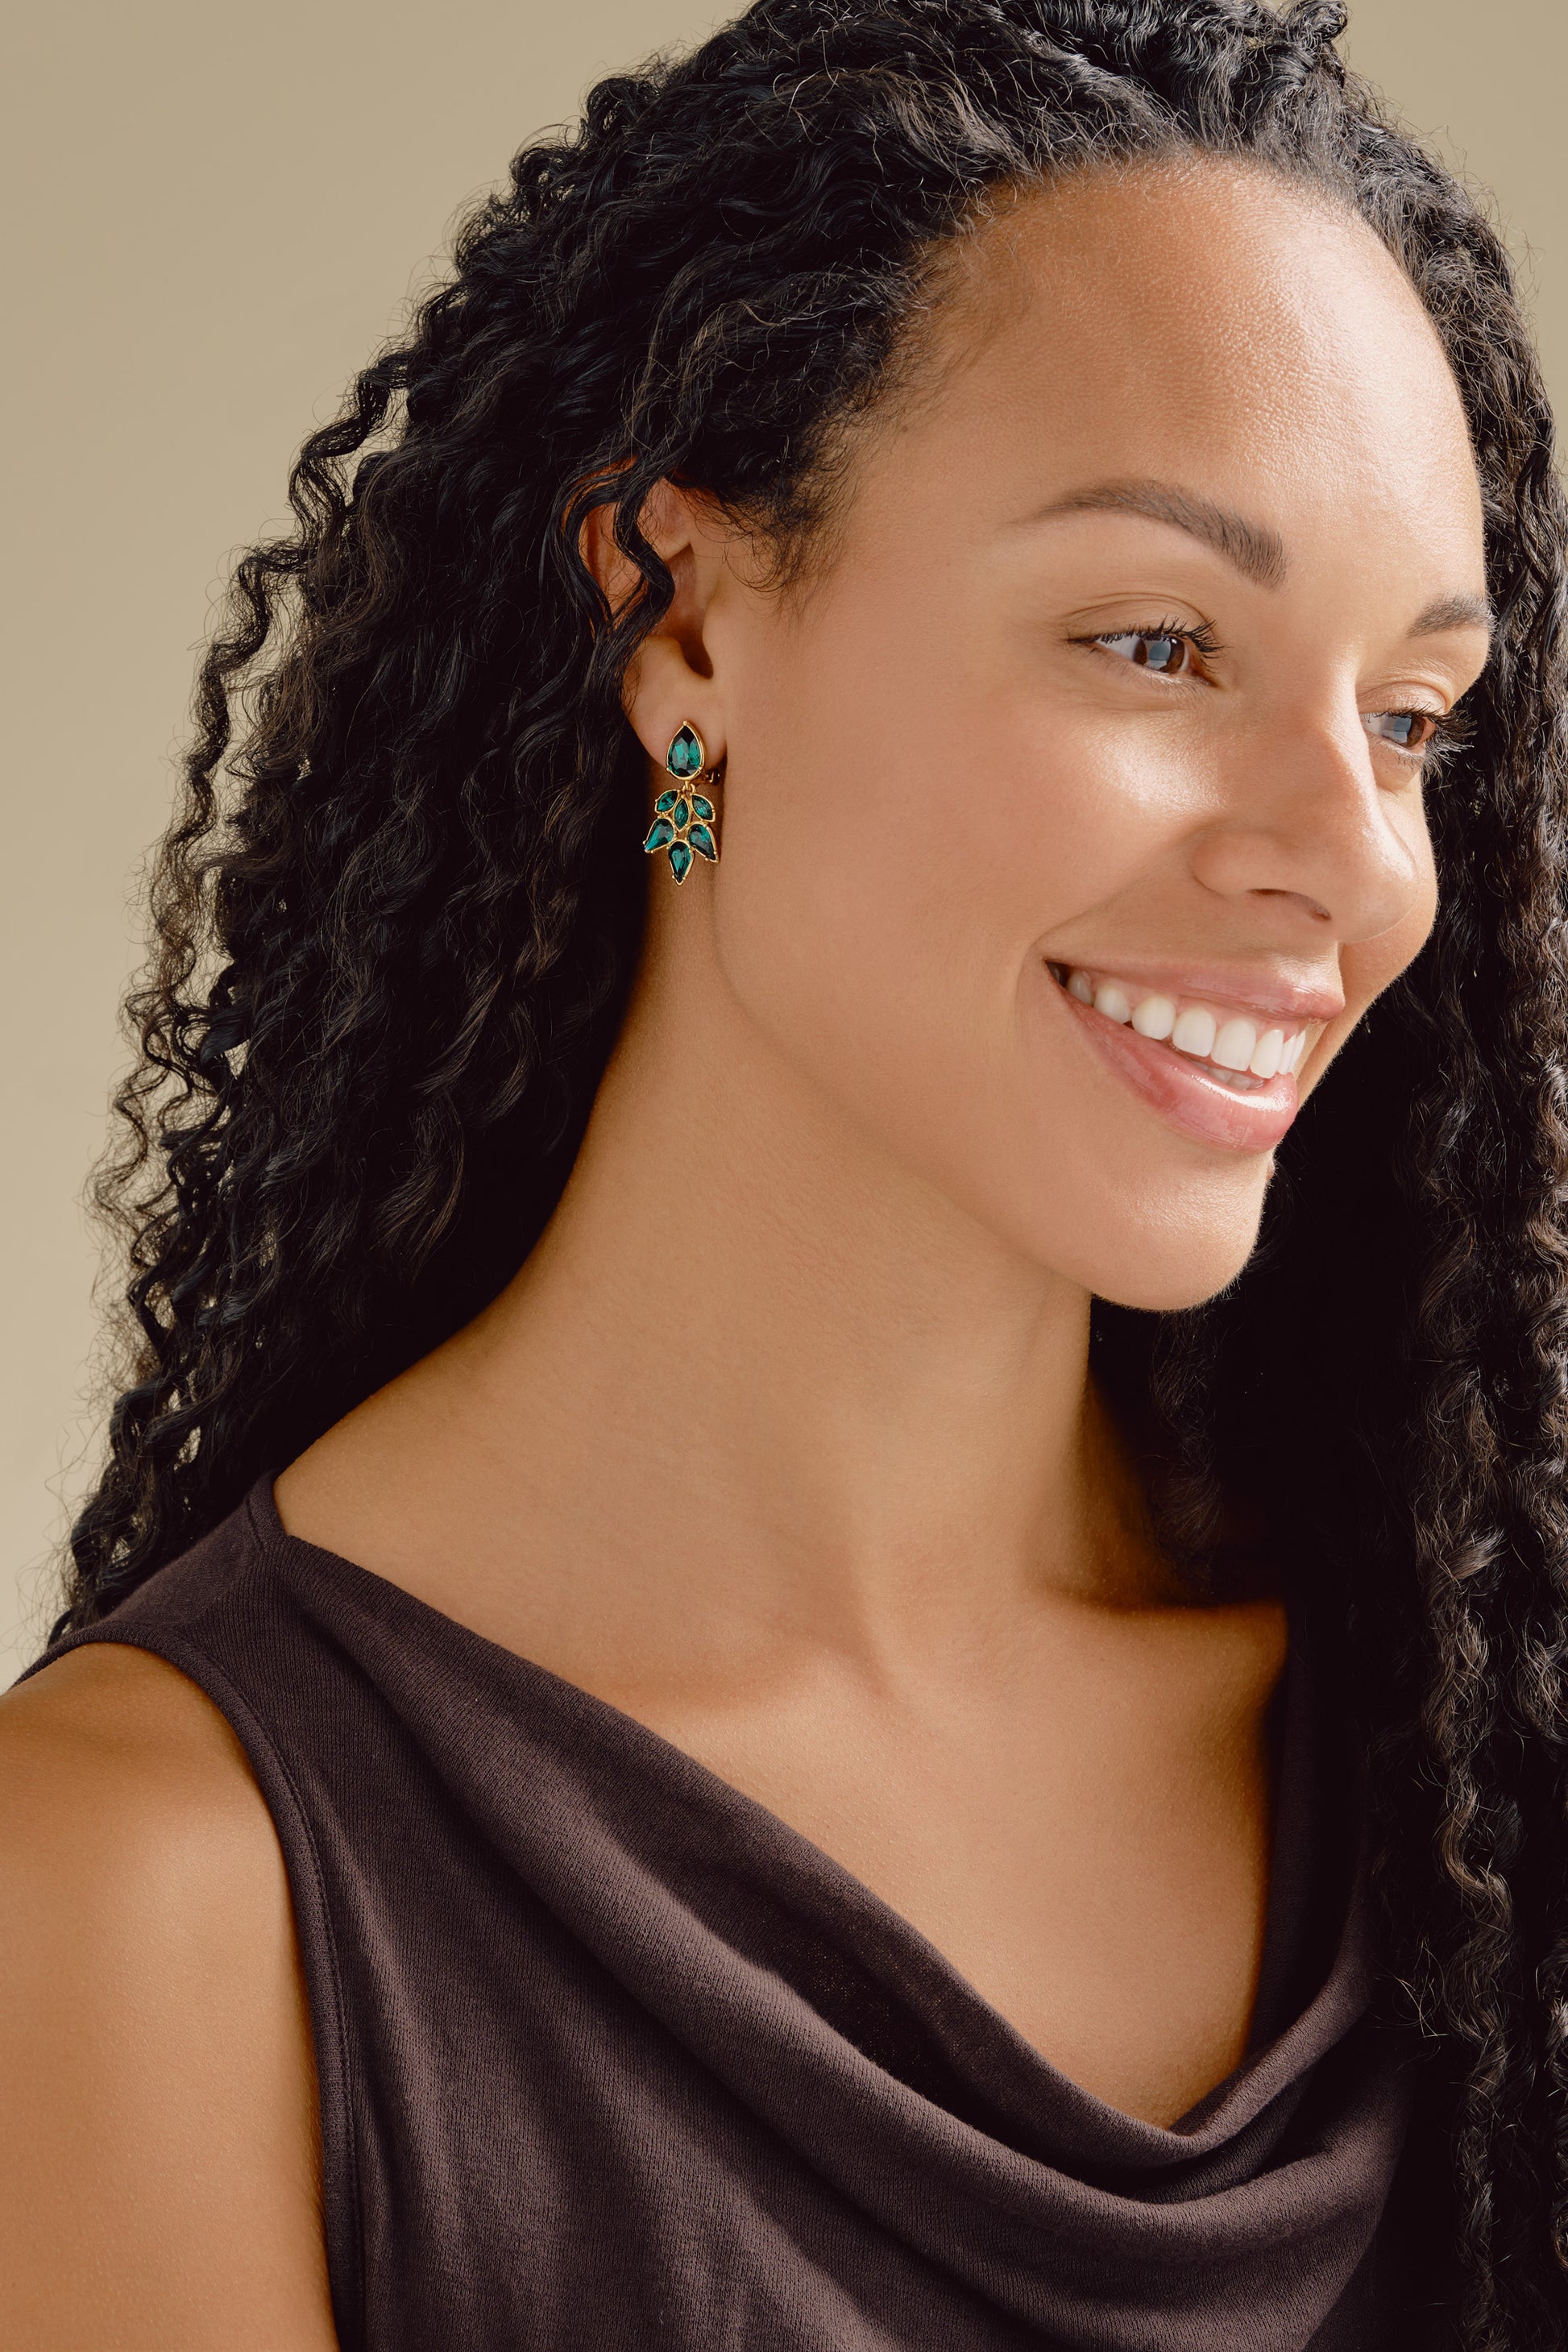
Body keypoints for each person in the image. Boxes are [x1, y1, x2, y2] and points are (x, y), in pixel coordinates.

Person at [4, 0, 1565, 2342]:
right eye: (1156, 641)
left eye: (1404, 717)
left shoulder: (1475, 1739)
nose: (1349, 865)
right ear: (686, 619)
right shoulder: (150, 1900)